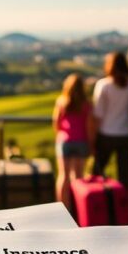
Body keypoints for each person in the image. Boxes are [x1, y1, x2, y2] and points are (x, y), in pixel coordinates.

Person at [92, 52, 128, 189]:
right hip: (127, 134)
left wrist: (93, 138)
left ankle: (97, 203)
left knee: (97, 173)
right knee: (124, 175)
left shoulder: (104, 85)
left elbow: (97, 114)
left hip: (106, 134)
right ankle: (123, 205)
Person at [52, 73, 95, 213]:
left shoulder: (61, 101)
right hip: (81, 141)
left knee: (63, 176)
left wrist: (60, 135)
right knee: (78, 176)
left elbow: (56, 122)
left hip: (65, 141)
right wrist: (91, 144)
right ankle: (78, 207)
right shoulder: (87, 104)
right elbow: (89, 127)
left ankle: (62, 208)